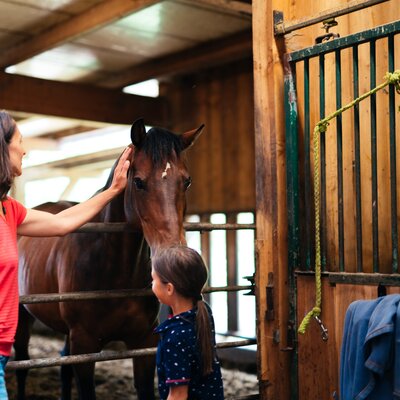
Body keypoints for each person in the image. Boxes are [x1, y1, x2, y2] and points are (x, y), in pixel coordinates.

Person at [0, 109, 132, 399]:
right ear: (2, 146)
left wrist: (112, 191)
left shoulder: (8, 209)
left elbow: (62, 223)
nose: (25, 149)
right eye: (20, 141)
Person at [151, 245, 224, 400]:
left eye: (153, 280)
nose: (152, 285)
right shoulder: (203, 312)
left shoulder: (174, 338)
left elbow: (178, 395)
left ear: (169, 288)